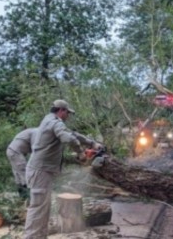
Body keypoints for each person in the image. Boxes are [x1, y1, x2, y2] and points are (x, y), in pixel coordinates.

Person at [23, 99, 101, 239]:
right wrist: (81, 153)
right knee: (38, 208)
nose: (68, 116)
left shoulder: (50, 120)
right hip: (40, 171)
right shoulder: (55, 122)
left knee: (43, 208)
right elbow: (69, 139)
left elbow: (73, 135)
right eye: (67, 113)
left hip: (41, 171)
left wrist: (92, 143)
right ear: (61, 110)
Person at [6, 127, 37, 199]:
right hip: (16, 152)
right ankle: (28, 197)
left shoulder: (34, 131)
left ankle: (22, 197)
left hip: (12, 151)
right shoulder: (37, 132)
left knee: (18, 174)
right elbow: (35, 149)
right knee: (25, 173)